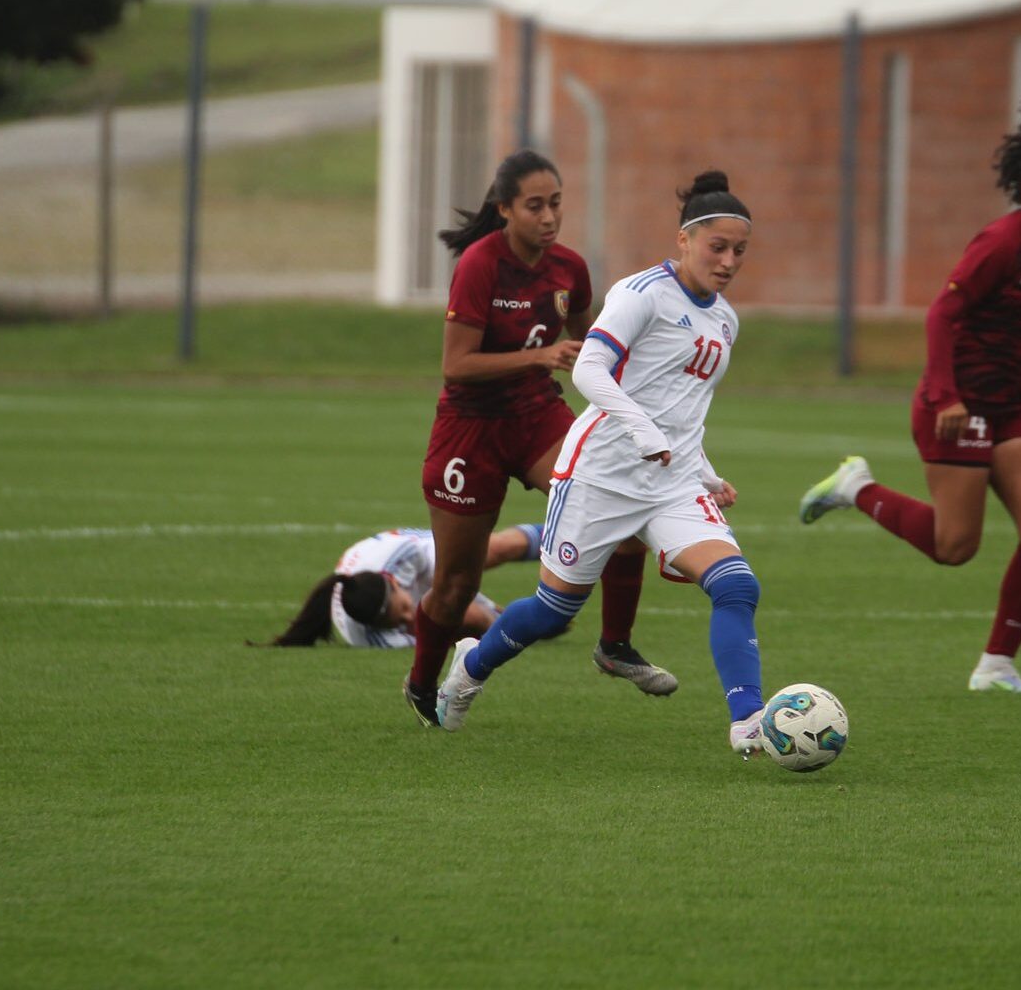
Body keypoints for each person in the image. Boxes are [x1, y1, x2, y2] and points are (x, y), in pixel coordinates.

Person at [796, 107, 1021, 695]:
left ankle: (997, 665)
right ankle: (857, 487)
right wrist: (948, 396)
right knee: (955, 548)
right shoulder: (1001, 243)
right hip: (956, 405)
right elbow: (942, 313)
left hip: (1014, 405)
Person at [433, 171, 770, 756]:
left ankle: (749, 721)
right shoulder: (641, 294)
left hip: (668, 485)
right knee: (550, 611)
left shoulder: (725, 320)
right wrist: (641, 431)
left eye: (740, 250)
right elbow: (590, 371)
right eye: (718, 246)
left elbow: (682, 409)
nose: (729, 260)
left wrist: (707, 475)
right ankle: (469, 667)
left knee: (736, 586)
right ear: (684, 239)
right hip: (600, 476)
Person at [405, 150, 674, 725]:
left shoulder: (569, 269)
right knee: (456, 586)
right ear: (505, 209)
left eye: (555, 203)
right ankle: (423, 683)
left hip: (534, 417)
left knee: (621, 496)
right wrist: (542, 354)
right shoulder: (480, 264)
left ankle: (614, 644)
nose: (549, 216)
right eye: (535, 206)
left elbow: (596, 346)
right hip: (469, 430)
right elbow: (457, 366)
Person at [248, 524, 543, 648]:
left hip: (418, 557)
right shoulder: (369, 637)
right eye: (397, 622)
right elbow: (435, 639)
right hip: (408, 581)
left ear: (393, 583)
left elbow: (448, 571)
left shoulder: (401, 559)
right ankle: (522, 622)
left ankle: (567, 537)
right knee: (474, 621)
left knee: (494, 549)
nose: (407, 617)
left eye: (403, 608)